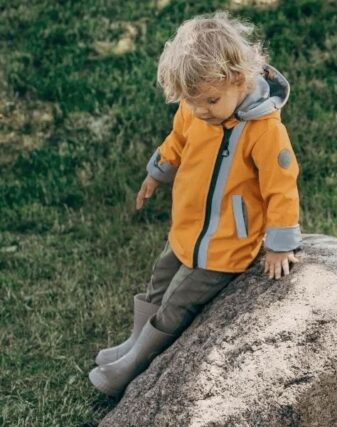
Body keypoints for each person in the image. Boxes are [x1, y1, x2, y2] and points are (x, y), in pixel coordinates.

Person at [89, 12, 301, 397]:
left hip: (225, 246)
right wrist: (157, 172)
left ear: (238, 79)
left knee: (176, 300)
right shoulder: (195, 107)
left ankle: (136, 364)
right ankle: (134, 342)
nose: (200, 110)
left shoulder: (266, 131)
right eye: (191, 101)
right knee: (159, 282)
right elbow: (177, 140)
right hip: (189, 228)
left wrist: (280, 244)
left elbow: (281, 188)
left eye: (210, 101)